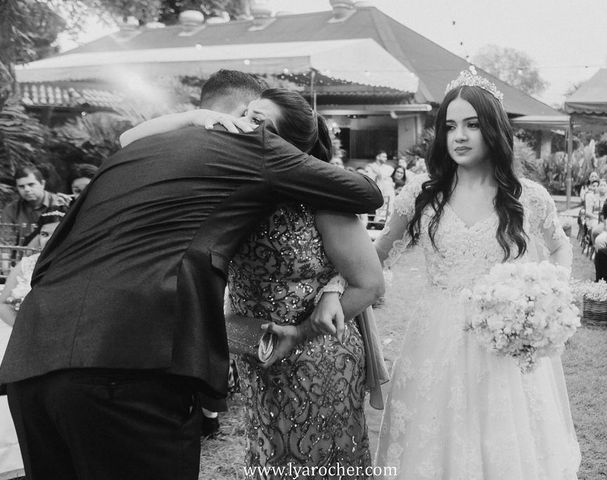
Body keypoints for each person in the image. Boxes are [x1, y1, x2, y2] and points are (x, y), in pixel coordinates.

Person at [0, 70, 383, 480]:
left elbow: (366, 255)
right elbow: (366, 192)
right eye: (249, 117)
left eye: (261, 123)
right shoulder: (245, 148)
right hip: (129, 361)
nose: (249, 127)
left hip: (33, 359)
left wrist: (333, 283)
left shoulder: (147, 149)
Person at [120, 87, 386, 476]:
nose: (243, 122)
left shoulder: (320, 196)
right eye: (245, 112)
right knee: (268, 455)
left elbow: (370, 283)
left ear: (285, 146)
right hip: (255, 350)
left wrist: (304, 327)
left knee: (321, 461)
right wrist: (194, 117)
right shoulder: (230, 186)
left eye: (258, 121)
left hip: (317, 354)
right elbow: (129, 142)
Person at [361, 69, 580, 478]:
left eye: (472, 125)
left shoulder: (527, 197)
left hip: (502, 340)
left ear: (493, 129)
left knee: (502, 445)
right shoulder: (422, 194)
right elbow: (379, 254)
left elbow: (560, 246)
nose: (459, 136)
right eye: (450, 126)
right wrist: (344, 282)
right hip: (435, 340)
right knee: (434, 443)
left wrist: (553, 291)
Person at [0, 205, 67, 480]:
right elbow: (4, 302)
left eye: (55, 233)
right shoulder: (25, 264)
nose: (47, 239)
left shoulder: (71, 265)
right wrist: (22, 327)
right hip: (19, 332)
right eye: (43, 233)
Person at [1, 165, 69, 226]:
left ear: (42, 184)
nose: (27, 189)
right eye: (21, 186)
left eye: (31, 185)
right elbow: (7, 238)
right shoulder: (11, 210)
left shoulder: (61, 204)